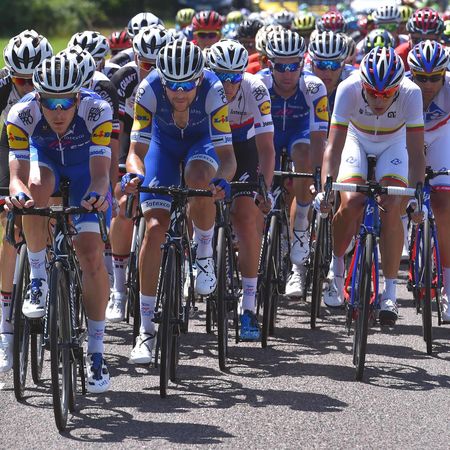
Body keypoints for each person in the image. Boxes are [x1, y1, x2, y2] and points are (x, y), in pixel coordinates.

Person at [123, 40, 236, 363]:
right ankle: (145, 329)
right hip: (162, 147)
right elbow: (135, 152)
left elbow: (228, 157)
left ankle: (204, 251)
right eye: (172, 85)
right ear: (162, 80)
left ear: (199, 78)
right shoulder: (148, 89)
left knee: (199, 179)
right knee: (154, 227)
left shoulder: (213, 90)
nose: (180, 92)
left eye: (187, 85)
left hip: (202, 144)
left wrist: (222, 181)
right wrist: (135, 175)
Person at [5, 55, 113, 392]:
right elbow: (17, 178)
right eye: (50, 103)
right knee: (34, 190)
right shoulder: (21, 114)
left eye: (66, 102)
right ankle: (38, 276)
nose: (58, 111)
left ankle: (97, 351)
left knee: (91, 256)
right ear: (37, 98)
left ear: (79, 97)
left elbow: (100, 176)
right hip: (45, 164)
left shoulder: (98, 111)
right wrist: (18, 194)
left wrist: (98, 195)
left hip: (85, 173)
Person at [318, 47, 425, 325]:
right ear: (362, 84)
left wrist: (417, 195)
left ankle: (390, 292)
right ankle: (336, 268)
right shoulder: (348, 88)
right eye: (373, 93)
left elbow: (416, 153)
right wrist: (326, 187)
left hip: (394, 143)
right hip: (356, 139)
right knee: (351, 201)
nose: (379, 100)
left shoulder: (412, 93)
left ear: (398, 88)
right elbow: (333, 147)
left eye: (387, 94)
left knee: (392, 206)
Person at [208, 39, 275, 340]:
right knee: (197, 199)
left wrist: (265, 190)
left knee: (246, 218)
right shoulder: (202, 87)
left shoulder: (255, 89)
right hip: (210, 147)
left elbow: (266, 147)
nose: (228, 84)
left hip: (244, 148)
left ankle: (248, 307)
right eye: (221, 76)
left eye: (234, 77)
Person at [107, 26, 173, 323]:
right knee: (124, 203)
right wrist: (119, 175)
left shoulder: (178, 78)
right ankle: (119, 290)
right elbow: (118, 131)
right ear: (135, 58)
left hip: (165, 137)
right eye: (147, 64)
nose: (153, 71)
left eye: (160, 65)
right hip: (132, 133)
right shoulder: (125, 78)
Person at [257, 29, 328, 295]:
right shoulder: (259, 84)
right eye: (280, 67)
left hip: (300, 132)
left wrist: (317, 178)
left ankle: (300, 225)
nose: (287, 73)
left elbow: (319, 138)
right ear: (269, 64)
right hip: (269, 134)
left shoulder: (314, 86)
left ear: (302, 63)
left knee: (304, 154)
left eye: (293, 66)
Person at [0, 29, 53, 373]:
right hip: (10, 150)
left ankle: (58, 276)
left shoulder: (58, 85)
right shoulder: (2, 88)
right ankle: (5, 330)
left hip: (50, 149)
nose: (27, 86)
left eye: (33, 79)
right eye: (20, 80)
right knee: (8, 230)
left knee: (52, 212)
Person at [407, 39, 450, 322]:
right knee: (394, 196)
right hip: (405, 136)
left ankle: (448, 286)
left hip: (440, 136)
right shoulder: (402, 87)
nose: (428, 84)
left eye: (435, 77)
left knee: (444, 203)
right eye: (421, 77)